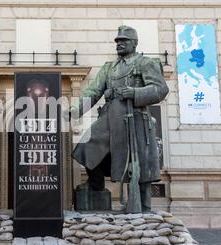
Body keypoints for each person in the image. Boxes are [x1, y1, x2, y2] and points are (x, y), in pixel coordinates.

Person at [66, 25, 169, 212]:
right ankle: (96, 184)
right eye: (118, 41)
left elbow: (160, 89)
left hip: (135, 118)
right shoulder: (109, 68)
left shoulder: (145, 63)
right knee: (86, 148)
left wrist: (135, 92)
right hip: (110, 115)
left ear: (134, 43)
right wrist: (75, 110)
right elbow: (93, 91)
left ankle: (143, 207)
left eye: (124, 41)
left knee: (139, 163)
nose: (119, 44)